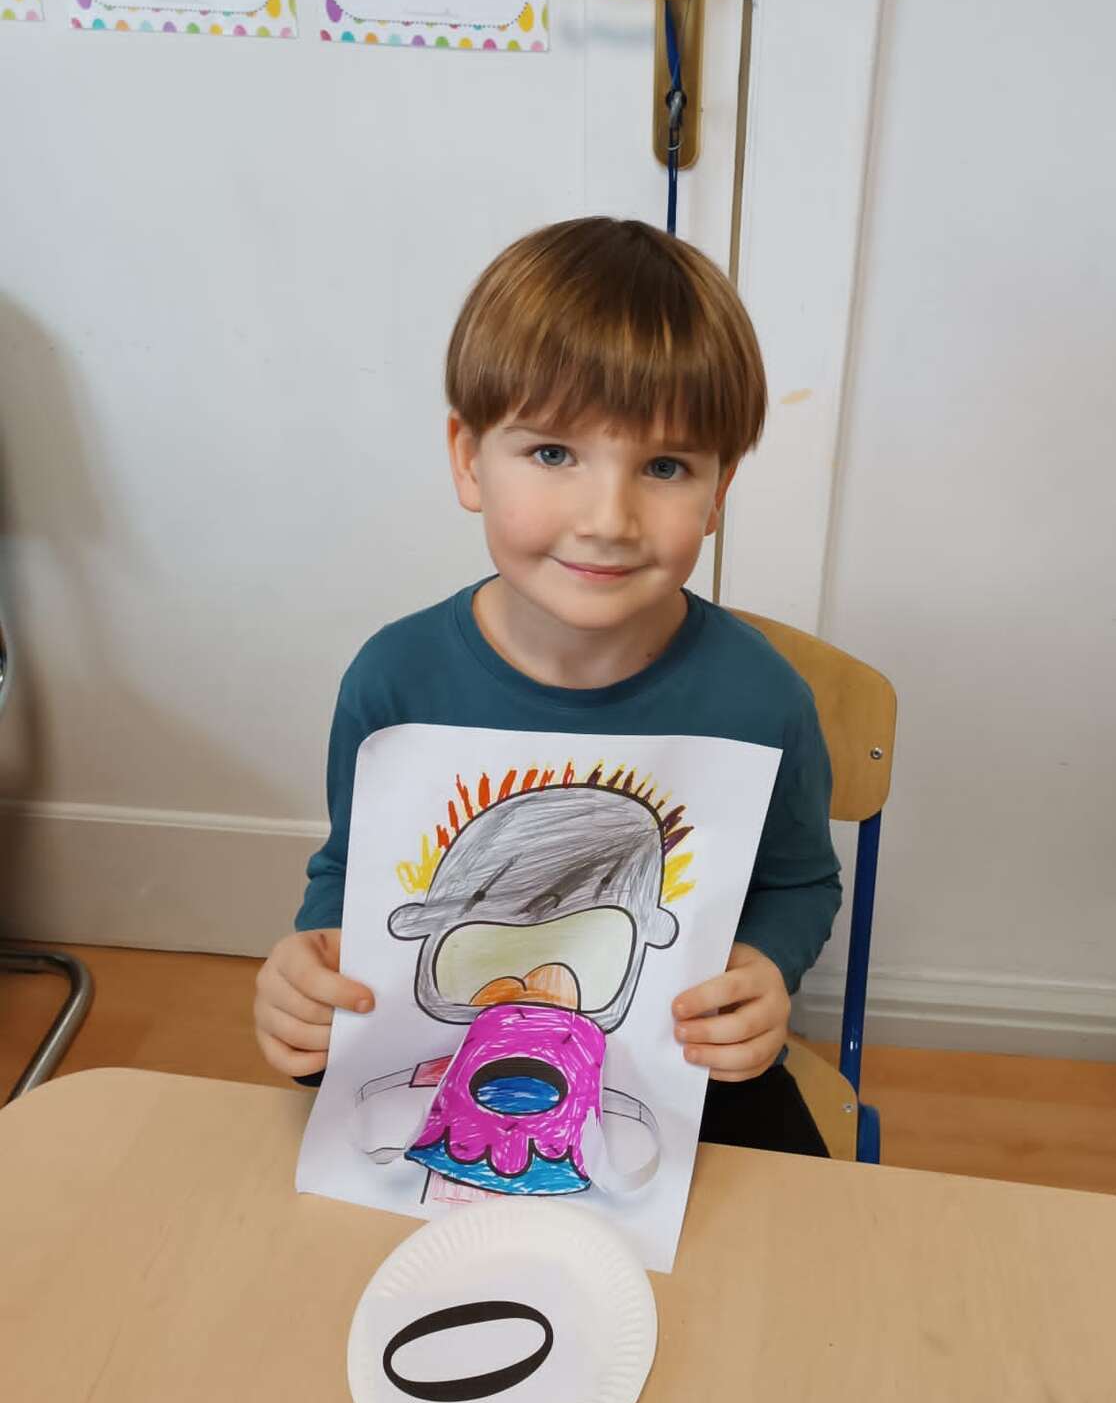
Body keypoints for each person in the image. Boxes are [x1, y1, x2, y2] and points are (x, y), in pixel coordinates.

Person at [254, 217, 840, 1158]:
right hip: (437, 1057)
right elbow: (349, 870)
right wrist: (312, 960)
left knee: (789, 1236)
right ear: (468, 459)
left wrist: (766, 969)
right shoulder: (396, 680)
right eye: (554, 454)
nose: (608, 520)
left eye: (665, 466)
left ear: (719, 490)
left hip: (677, 1070)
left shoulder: (761, 699)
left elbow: (799, 879)